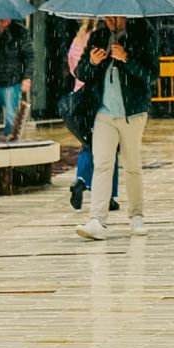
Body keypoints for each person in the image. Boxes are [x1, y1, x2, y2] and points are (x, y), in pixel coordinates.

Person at [75, 16, 159, 241]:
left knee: (132, 165)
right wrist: (91, 63)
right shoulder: (99, 36)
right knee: (102, 163)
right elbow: (81, 73)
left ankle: (136, 216)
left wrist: (126, 58)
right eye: (107, 16)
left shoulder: (143, 35)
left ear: (127, 15)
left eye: (115, 16)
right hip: (104, 113)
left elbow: (152, 75)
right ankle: (97, 220)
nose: (110, 20)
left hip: (133, 113)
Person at [66, 19, 118, 212]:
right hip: (98, 97)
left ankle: (81, 179)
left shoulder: (79, 38)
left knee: (88, 143)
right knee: (109, 148)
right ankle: (108, 194)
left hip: (81, 96)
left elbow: (73, 66)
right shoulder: (100, 38)